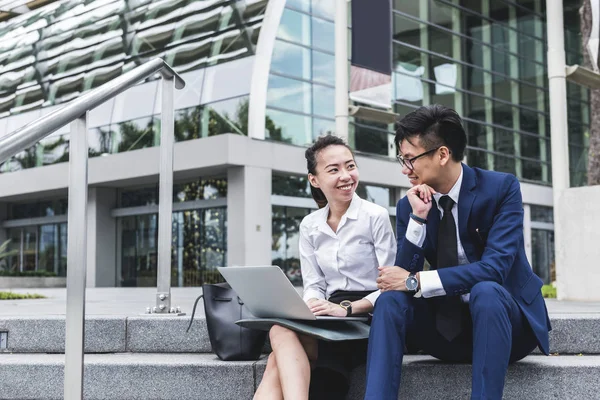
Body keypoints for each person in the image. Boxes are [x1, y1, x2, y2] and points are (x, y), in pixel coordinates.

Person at [364, 105, 551, 400]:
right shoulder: (408, 205)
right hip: (443, 332)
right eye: (402, 159)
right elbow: (400, 277)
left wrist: (418, 281)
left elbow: (494, 270)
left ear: (442, 154)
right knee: (389, 301)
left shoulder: (501, 189)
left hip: (506, 327)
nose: (404, 169)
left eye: (409, 159)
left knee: (487, 291)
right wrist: (418, 219)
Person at [254, 135, 396, 400]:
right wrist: (310, 308)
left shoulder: (374, 216)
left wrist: (345, 309)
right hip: (327, 316)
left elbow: (391, 284)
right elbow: (314, 284)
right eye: (334, 169)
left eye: (350, 166)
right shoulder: (309, 225)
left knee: (276, 360)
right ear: (314, 180)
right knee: (279, 329)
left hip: (367, 318)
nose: (346, 175)